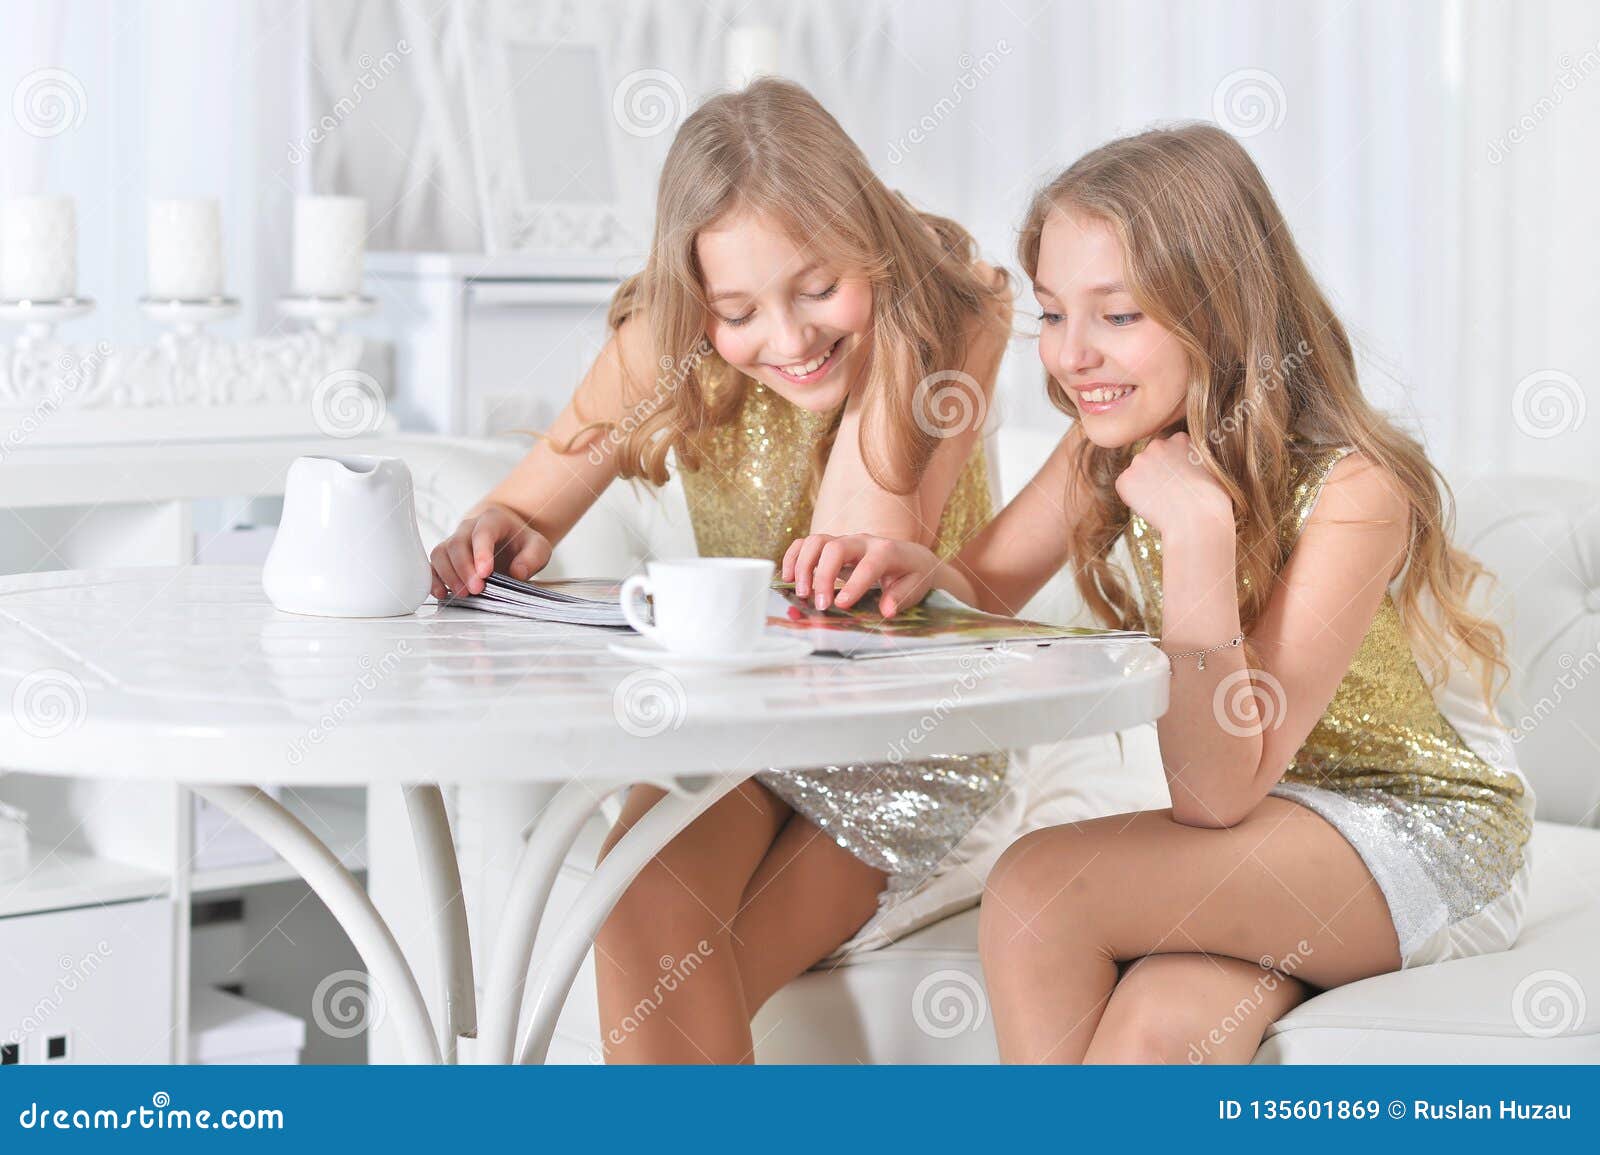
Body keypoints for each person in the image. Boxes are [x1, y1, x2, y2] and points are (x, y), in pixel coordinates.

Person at [785, 123, 1533, 1063]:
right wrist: (923, 577)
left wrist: (1194, 533)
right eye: (1055, 314)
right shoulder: (1108, 439)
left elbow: (1215, 793)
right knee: (1159, 1035)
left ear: (1220, 311)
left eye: (1119, 315)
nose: (1072, 355)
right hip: (1274, 821)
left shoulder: (1355, 488)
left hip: (1415, 825)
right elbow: (979, 585)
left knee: (1042, 885)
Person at [428, 78, 1013, 1062]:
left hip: (899, 730)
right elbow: (529, 501)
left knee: (685, 994)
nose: (787, 340)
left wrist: (901, 311)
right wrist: (492, 528)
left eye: (821, 287)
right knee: (640, 910)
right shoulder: (673, 341)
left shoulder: (952, 319)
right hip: (745, 713)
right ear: (698, 300)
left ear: (870, 242)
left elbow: (842, 581)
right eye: (738, 310)